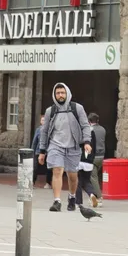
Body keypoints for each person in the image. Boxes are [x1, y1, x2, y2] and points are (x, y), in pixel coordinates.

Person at [38, 83, 92, 212]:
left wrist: (87, 142)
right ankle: (57, 201)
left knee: (72, 176)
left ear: (67, 93)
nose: (60, 95)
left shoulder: (77, 108)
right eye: (58, 93)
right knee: (57, 170)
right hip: (55, 146)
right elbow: (44, 132)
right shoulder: (50, 111)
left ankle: (72, 197)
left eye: (62, 93)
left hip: (73, 146)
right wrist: (42, 151)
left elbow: (85, 126)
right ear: (54, 95)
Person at [88, 112, 106, 205]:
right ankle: (93, 195)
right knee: (95, 176)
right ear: (97, 120)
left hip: (93, 156)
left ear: (89, 121)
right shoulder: (103, 129)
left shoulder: (89, 130)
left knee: (92, 177)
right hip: (101, 156)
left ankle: (98, 197)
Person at [32, 114, 52, 189]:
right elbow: (35, 141)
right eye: (42, 120)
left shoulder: (50, 130)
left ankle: (48, 183)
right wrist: (32, 151)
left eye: (45, 120)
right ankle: (32, 182)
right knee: (35, 167)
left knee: (49, 168)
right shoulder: (38, 130)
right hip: (38, 151)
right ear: (40, 122)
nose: (44, 122)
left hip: (48, 151)